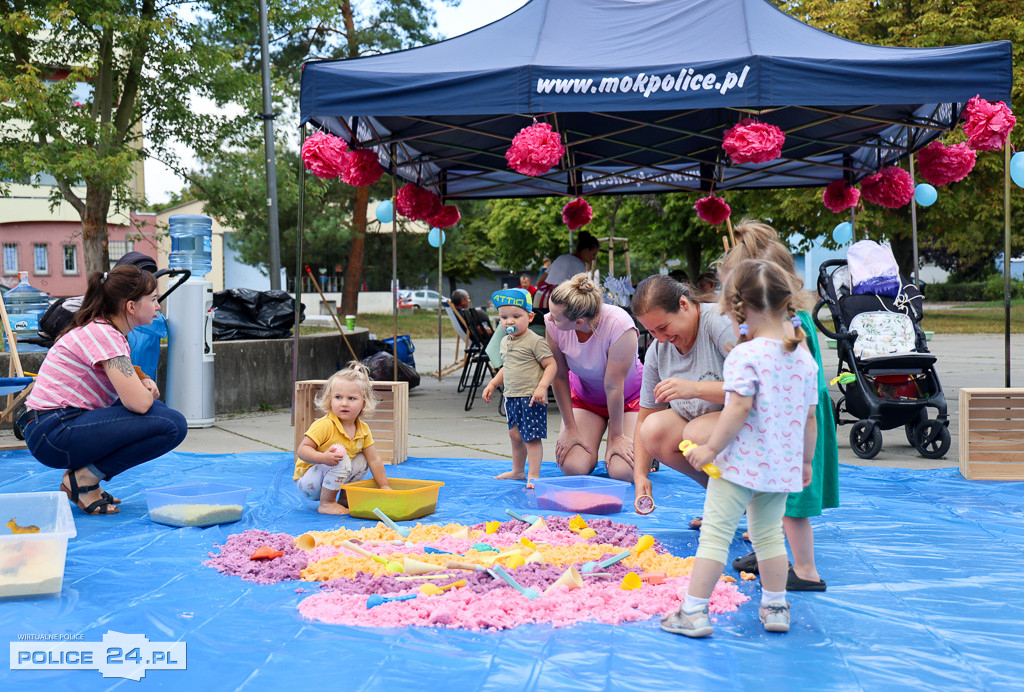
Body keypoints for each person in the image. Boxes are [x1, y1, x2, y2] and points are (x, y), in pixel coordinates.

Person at [661, 259, 818, 638]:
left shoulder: (744, 356)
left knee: (715, 535)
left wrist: (711, 448)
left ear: (739, 311)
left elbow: (738, 408)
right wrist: (805, 460)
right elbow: (811, 416)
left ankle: (694, 612)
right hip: (779, 468)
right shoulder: (803, 356)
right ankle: (776, 606)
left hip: (739, 467)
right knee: (768, 536)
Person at [716, 220, 839, 592]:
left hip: (796, 427)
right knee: (769, 500)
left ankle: (805, 570)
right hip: (790, 424)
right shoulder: (791, 323)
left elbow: (806, 391)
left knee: (793, 506)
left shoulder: (789, 330)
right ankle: (771, 550)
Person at [19, 265, 188, 516]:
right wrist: (144, 391)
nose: (158, 306)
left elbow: (127, 384)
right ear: (131, 306)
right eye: (153, 300)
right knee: (172, 424)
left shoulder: (103, 330)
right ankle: (82, 481)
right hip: (53, 431)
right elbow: (139, 404)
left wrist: (140, 383)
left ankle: (84, 480)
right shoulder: (105, 333)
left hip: (52, 427)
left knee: (162, 415)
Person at [631, 275, 733, 500]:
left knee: (694, 434)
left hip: (753, 419)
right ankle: (724, 496)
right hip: (707, 428)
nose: (661, 338)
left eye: (663, 327)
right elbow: (644, 417)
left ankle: (751, 498)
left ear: (684, 305)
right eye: (653, 332)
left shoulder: (717, 322)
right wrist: (640, 476)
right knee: (653, 430)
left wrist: (695, 389)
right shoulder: (658, 350)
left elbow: (760, 386)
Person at [545, 273, 643, 480]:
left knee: (622, 471)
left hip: (629, 399)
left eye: (555, 316)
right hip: (587, 399)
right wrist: (570, 427)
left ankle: (649, 452)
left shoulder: (619, 325)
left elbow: (614, 386)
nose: (548, 319)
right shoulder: (553, 326)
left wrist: (616, 438)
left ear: (578, 322)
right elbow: (560, 377)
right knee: (573, 467)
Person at [482, 289, 558, 488]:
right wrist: (492, 383)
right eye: (504, 317)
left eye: (516, 316)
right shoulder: (505, 342)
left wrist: (542, 387)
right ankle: (517, 470)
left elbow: (551, 365)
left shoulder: (535, 341)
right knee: (514, 434)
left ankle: (534, 474)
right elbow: (507, 368)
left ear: (530, 317)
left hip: (531, 397)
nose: (509, 321)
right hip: (512, 397)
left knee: (531, 437)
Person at [295, 363, 391, 514]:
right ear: (329, 399)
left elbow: (374, 459)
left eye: (352, 398)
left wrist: (384, 485)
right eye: (338, 397)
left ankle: (345, 499)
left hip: (334, 479)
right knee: (342, 459)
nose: (344, 403)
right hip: (310, 484)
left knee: (362, 459)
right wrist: (323, 457)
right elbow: (302, 450)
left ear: (364, 403)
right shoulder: (325, 425)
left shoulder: (363, 429)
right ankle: (327, 503)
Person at [533, 231, 601, 313]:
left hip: (539, 297)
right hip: (556, 301)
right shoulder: (579, 265)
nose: (593, 258)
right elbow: (582, 292)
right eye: (593, 254)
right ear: (586, 250)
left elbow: (539, 281)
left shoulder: (561, 257)